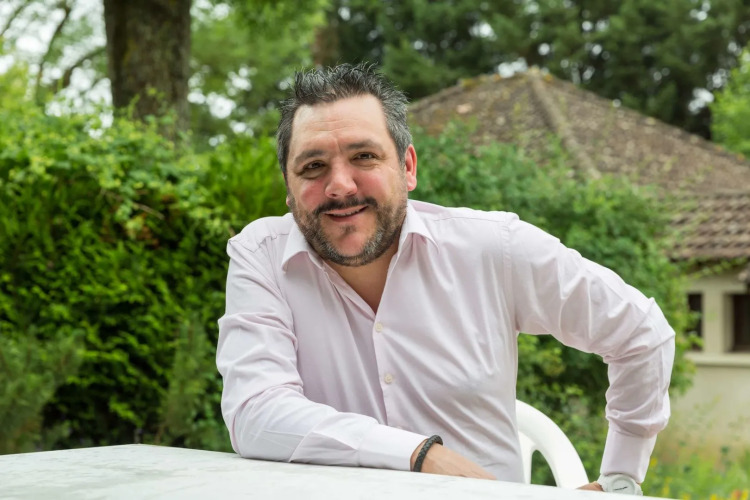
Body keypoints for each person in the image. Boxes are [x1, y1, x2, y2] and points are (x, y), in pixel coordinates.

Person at [216, 63, 675, 493]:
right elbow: (255, 411)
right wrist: (420, 455)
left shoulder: (494, 248)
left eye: (364, 156)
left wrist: (620, 481)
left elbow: (641, 332)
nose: (340, 185)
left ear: (408, 168)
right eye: (313, 167)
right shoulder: (261, 256)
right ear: (289, 185)